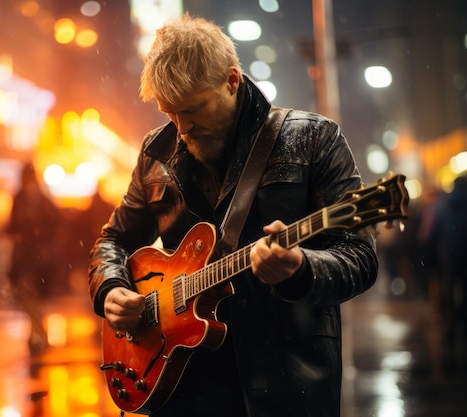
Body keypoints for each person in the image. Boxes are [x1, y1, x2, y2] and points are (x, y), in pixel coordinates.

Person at [88, 14, 378, 417]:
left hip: (286, 385)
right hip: (182, 388)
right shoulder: (156, 152)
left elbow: (360, 258)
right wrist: (111, 288)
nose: (182, 127)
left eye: (193, 109)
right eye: (170, 112)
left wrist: (301, 269)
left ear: (231, 81)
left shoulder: (314, 138)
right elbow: (114, 240)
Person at [6, 162, 61, 354]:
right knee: (30, 298)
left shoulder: (35, 201)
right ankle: (37, 333)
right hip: (27, 261)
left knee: (33, 298)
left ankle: (37, 334)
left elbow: (53, 225)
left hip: (36, 261)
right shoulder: (23, 199)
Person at [422, 174, 467, 345]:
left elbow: (429, 235)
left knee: (447, 291)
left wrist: (429, 259)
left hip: (448, 256)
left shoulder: (441, 205)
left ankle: (450, 327)